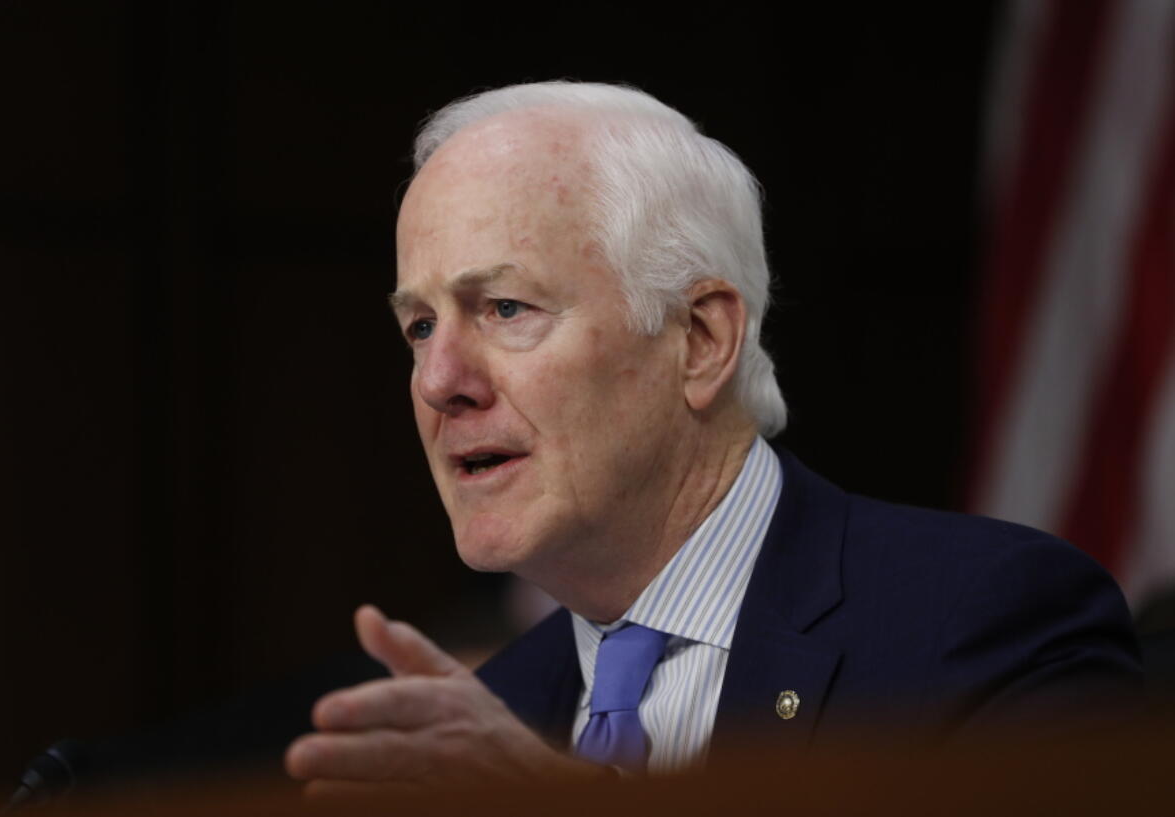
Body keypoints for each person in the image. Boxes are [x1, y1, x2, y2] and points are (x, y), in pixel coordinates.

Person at [284, 81, 1141, 790]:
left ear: (700, 340)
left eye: (505, 308)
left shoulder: (986, 624)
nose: (438, 381)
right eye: (420, 327)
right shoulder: (495, 711)